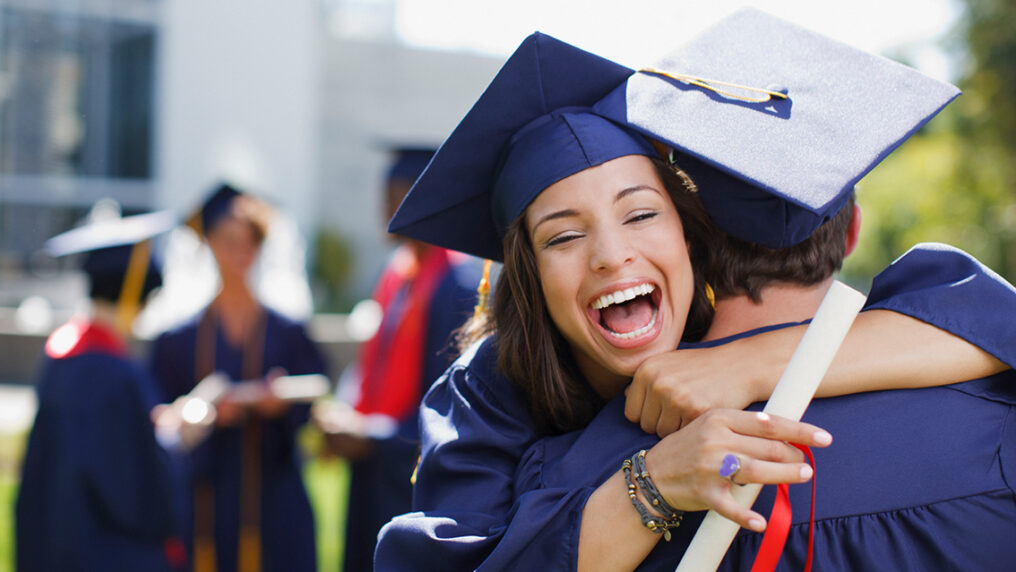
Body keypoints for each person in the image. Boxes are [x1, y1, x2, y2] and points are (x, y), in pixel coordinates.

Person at [374, 23, 1013, 570]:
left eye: (641, 214)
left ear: (691, 241)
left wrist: (743, 363)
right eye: (563, 236)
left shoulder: (582, 467)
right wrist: (649, 486)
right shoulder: (498, 401)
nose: (610, 254)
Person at [313, 148, 480, 571]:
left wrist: (372, 435)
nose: (385, 206)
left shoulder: (455, 285)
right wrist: (348, 418)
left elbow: (449, 403)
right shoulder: (396, 275)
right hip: (375, 467)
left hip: (412, 476)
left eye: (397, 193)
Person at [149, 183, 327, 572]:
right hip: (204, 494)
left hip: (273, 492)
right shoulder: (178, 338)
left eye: (249, 242)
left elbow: (315, 393)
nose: (239, 253)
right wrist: (196, 412)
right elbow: (156, 411)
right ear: (208, 244)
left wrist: (281, 404)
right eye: (228, 241)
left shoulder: (287, 331)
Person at [15, 210, 186, 571]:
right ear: (133, 296)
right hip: (108, 553)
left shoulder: (60, 360)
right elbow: (137, 485)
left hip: (56, 544)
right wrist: (174, 440)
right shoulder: (117, 374)